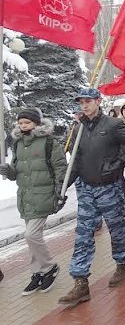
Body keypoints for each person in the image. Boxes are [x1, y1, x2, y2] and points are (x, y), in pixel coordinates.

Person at [58, 88, 125, 306]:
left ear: (98, 101)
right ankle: (80, 282)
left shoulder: (113, 125)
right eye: (81, 102)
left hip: (109, 187)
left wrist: (119, 163)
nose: (84, 105)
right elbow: (74, 160)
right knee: (83, 234)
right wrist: (62, 187)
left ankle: (122, 265)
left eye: (88, 101)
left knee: (116, 228)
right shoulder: (78, 129)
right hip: (86, 188)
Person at [0, 108, 66, 296]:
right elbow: (16, 170)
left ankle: (49, 266)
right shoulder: (19, 143)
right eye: (21, 123)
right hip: (26, 197)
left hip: (43, 195)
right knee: (32, 239)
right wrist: (8, 171)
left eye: (27, 123)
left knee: (31, 235)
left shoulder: (48, 142)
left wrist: (59, 191)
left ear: (36, 123)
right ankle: (38, 272)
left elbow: (60, 166)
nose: (23, 126)